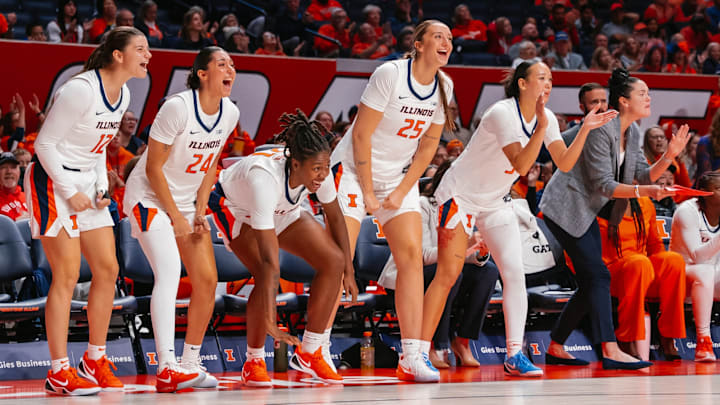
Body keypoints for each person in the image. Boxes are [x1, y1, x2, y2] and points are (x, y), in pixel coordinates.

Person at [428, 61, 617, 377]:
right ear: (522, 84)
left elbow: (565, 163)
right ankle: (421, 350)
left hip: (495, 201)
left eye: (551, 79)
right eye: (541, 77)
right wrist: (542, 126)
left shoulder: (547, 120)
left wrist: (583, 129)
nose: (548, 83)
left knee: (513, 273)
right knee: (448, 275)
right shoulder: (503, 112)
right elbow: (520, 163)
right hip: (458, 197)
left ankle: (514, 354)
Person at [539, 68, 691, 370]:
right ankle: (610, 349)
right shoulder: (601, 129)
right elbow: (604, 185)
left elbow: (643, 176)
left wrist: (669, 155)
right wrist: (646, 190)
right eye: (642, 93)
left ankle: (556, 345)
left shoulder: (633, 132)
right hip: (564, 209)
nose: (648, 98)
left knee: (592, 281)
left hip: (586, 211)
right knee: (598, 276)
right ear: (623, 101)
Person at [27, 27, 150, 396]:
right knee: (65, 275)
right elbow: (45, 145)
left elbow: (99, 149)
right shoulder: (80, 89)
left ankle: (94, 358)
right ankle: (59, 371)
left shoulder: (124, 92)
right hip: (52, 182)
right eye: (140, 49)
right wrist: (69, 190)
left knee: (108, 268)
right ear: (118, 55)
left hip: (85, 183)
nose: (148, 56)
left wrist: (98, 188)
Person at [331, 20, 454, 382]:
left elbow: (430, 145)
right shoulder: (390, 74)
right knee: (340, 257)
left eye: (449, 38)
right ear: (418, 44)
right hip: (353, 169)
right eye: (438, 36)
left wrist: (400, 191)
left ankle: (412, 355)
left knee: (412, 258)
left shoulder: (444, 86)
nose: (446, 42)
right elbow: (362, 134)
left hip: (397, 176)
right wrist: (368, 192)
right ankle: (314, 349)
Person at [209, 110, 357, 386]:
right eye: (317, 169)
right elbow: (269, 261)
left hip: (282, 209)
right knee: (264, 273)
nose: (322, 176)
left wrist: (348, 270)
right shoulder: (264, 179)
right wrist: (271, 324)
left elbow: (335, 216)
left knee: (333, 261)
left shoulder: (317, 170)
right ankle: (253, 362)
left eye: (325, 168)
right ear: (296, 164)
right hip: (237, 210)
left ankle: (310, 351)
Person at [123, 46, 238, 392]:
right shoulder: (177, 108)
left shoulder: (229, 112)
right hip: (149, 198)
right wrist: (175, 216)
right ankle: (167, 366)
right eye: (222, 64)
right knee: (170, 271)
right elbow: (153, 167)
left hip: (187, 202)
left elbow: (210, 163)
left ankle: (190, 362)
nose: (230, 69)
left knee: (207, 279)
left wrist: (200, 209)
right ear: (202, 74)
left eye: (232, 64)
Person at [377, 159, 499, 368]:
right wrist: (460, 249)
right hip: (408, 274)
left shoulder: (466, 209)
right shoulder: (423, 205)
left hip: (443, 270)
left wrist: (478, 253)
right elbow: (421, 255)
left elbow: (461, 257)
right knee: (449, 272)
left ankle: (463, 341)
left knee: (487, 271)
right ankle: (434, 346)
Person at [597, 195, 686, 359]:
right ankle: (626, 338)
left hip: (641, 270)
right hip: (608, 273)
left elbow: (655, 246)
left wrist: (662, 271)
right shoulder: (595, 202)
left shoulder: (645, 203)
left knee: (674, 261)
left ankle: (668, 335)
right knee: (639, 263)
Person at [670, 172, 720, 362]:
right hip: (682, 275)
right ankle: (703, 342)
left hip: (711, 276)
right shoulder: (687, 211)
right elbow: (697, 256)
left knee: (708, 272)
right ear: (705, 194)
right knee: (705, 271)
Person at [0, 152, 28, 220]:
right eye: (3, 167)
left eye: (13, 167)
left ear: (19, 172)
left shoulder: (28, 198)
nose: (9, 171)